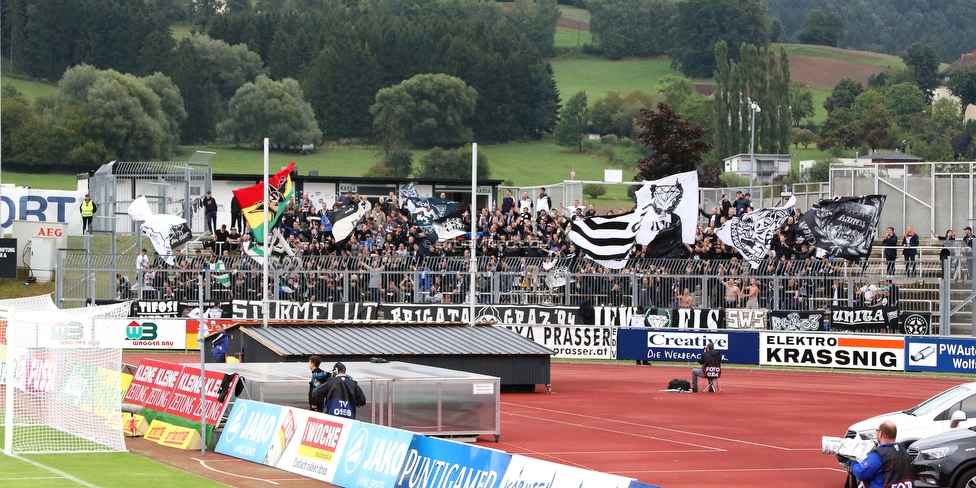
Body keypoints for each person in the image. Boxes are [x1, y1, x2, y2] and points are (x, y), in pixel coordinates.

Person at [846, 421, 912, 488]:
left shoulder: (879, 455)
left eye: (877, 431)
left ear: (880, 433)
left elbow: (861, 473)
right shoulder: (903, 450)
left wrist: (853, 461)